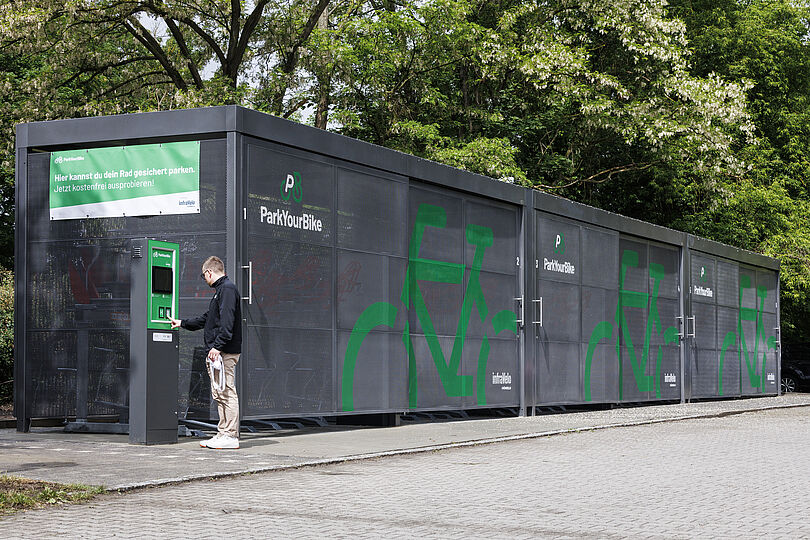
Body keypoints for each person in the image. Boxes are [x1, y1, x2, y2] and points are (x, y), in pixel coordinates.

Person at [169, 256, 242, 450]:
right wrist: (182, 323)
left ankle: (230, 435)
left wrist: (217, 347)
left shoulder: (226, 289)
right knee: (220, 392)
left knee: (226, 391)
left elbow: (227, 322)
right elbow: (208, 318)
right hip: (221, 351)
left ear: (209, 272)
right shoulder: (222, 290)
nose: (205, 279)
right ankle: (223, 432)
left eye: (204, 276)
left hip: (224, 351)